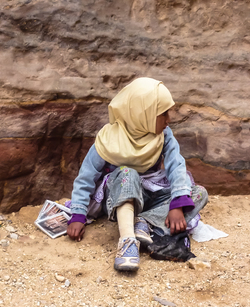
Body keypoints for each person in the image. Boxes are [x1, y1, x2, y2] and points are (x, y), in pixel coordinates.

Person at [66, 77, 208, 271]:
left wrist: (176, 204)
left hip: (151, 195)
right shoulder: (109, 138)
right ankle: (127, 241)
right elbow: (86, 177)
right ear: (144, 113)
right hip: (119, 197)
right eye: (163, 113)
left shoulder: (163, 136)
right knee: (127, 173)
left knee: (199, 193)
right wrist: (78, 215)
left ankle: (146, 222)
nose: (169, 119)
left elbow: (176, 166)